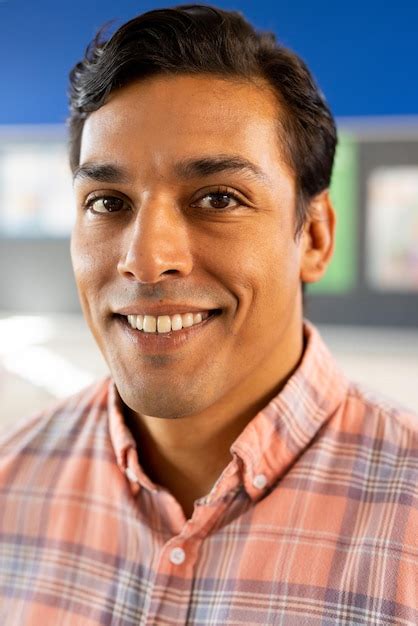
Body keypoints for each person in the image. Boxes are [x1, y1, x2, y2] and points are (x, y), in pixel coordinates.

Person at [0, 4, 417, 624]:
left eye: (218, 198)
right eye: (107, 201)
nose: (146, 260)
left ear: (316, 237)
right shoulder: (13, 483)